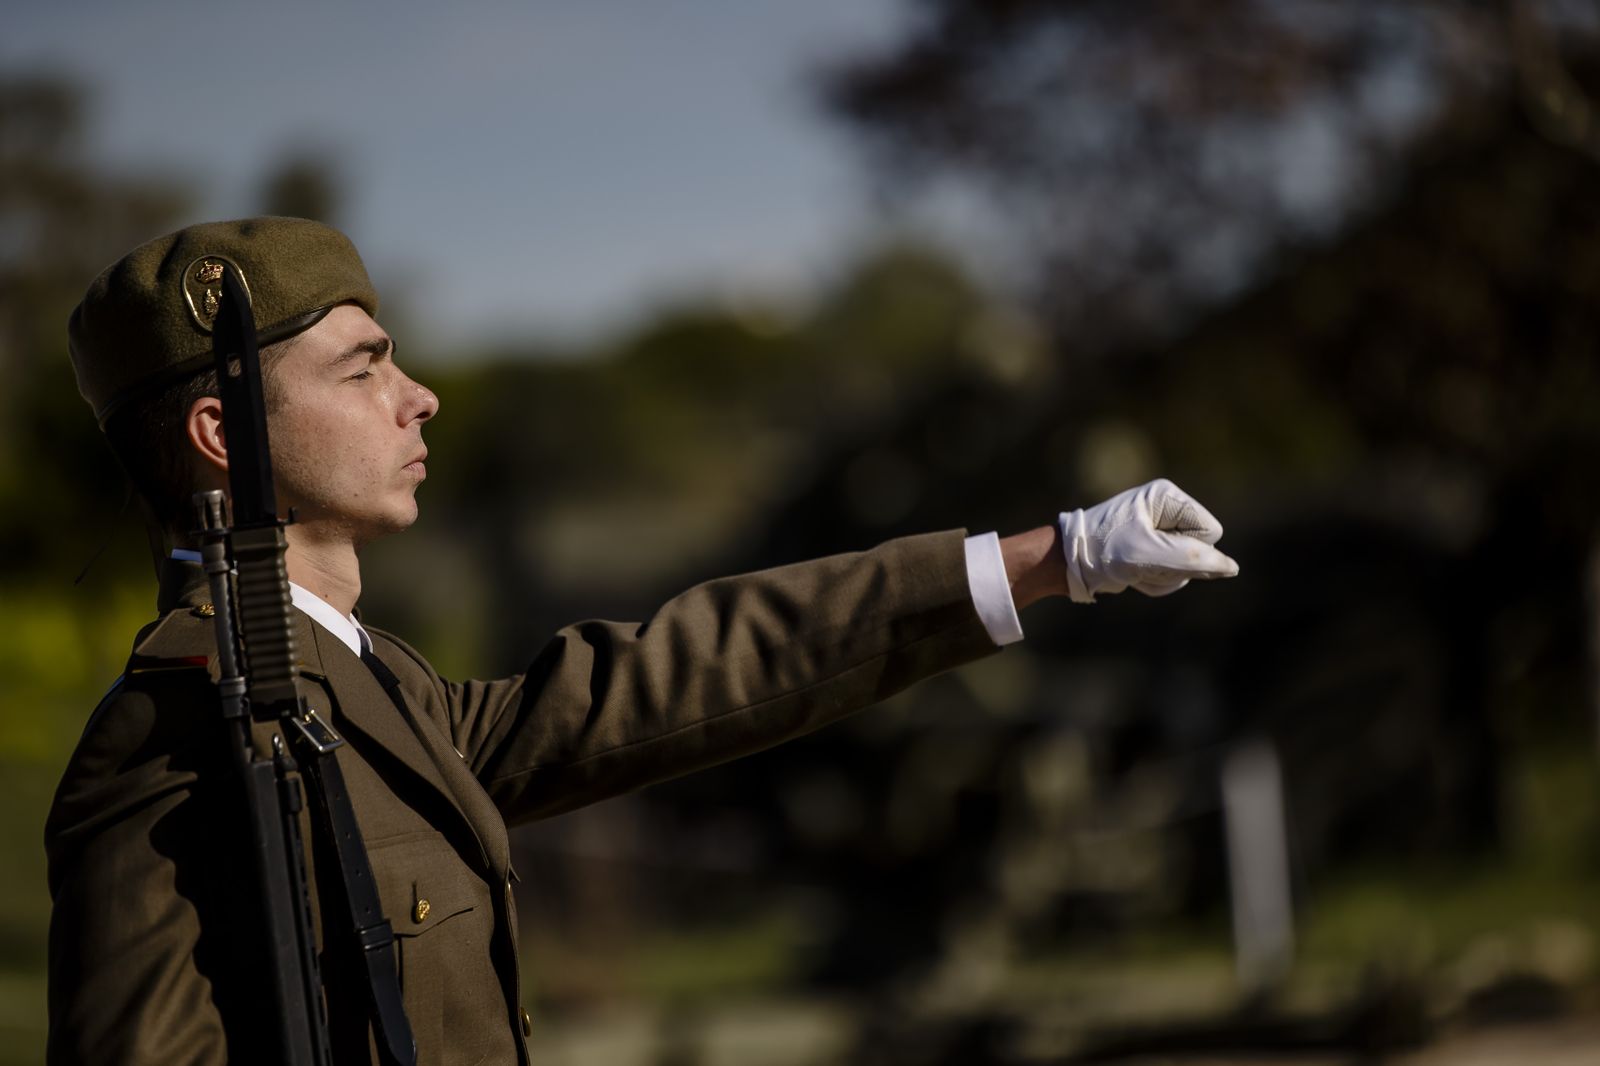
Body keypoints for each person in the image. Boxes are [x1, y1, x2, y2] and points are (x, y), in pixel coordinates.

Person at [45, 217, 1239, 1066]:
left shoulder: (370, 679)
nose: (420, 397)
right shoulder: (178, 731)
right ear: (223, 430)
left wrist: (1050, 558)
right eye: (363, 367)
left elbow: (679, 673)